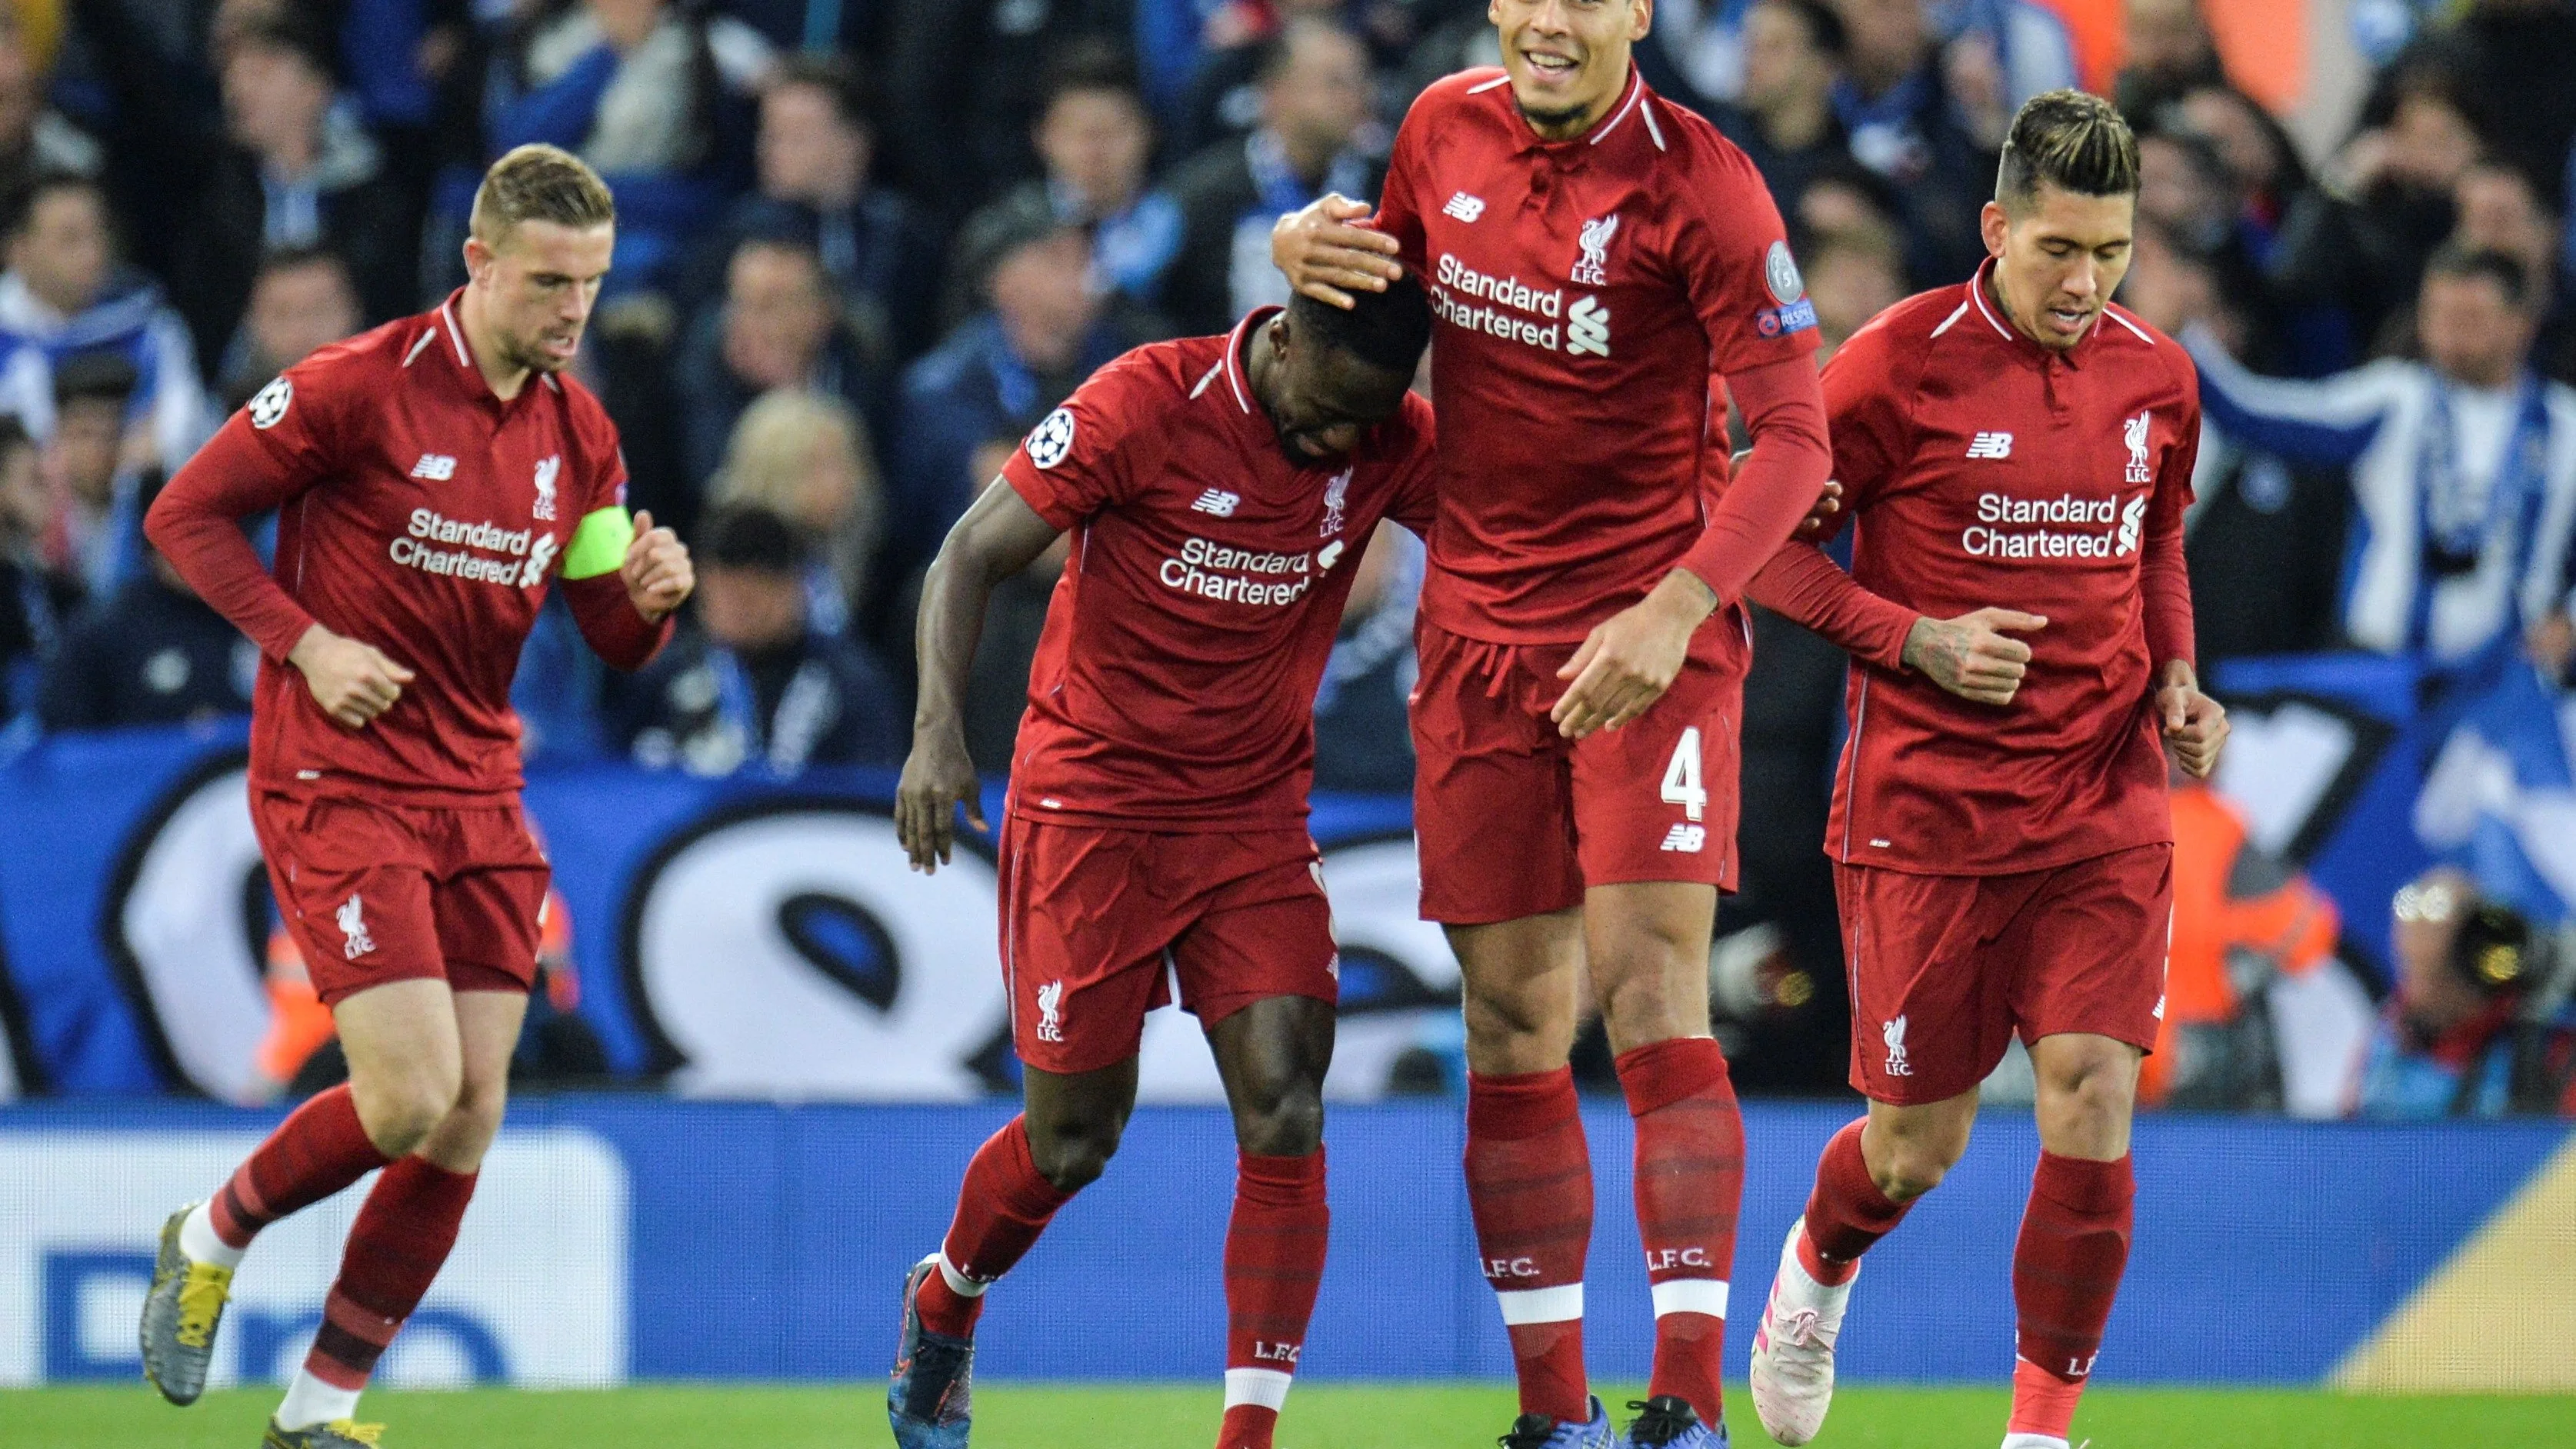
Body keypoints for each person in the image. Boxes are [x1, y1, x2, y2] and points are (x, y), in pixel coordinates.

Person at [1270, 0, 1835, 1439]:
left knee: (1650, 994)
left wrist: (1672, 610)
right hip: (1470, 642)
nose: (1547, 19)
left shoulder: (1702, 182)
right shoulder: (1434, 128)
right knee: (1509, 1017)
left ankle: (1689, 1405)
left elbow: (1794, 436)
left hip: (1646, 636)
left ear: (1634, 12)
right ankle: (1549, 1413)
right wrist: (1297, 269)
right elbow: (1360, 348)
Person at [133, 144, 692, 1449]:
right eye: (551, 280)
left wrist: (650, 601)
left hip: (479, 786)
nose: (573, 309)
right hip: (340, 776)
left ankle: (316, 1411)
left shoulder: (579, 434)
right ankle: (209, 1231)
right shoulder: (355, 388)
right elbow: (185, 515)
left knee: (472, 1108)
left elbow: (609, 631)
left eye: (593, 285)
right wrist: (306, 641)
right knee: (403, 1093)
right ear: (479, 262)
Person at [1731, 92, 2226, 1449]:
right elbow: (1756, 540)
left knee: (2088, 1088)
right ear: (1994, 225)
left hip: (2100, 798)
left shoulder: (2156, 378)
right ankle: (1812, 1268)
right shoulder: (1894, 365)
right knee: (1911, 1150)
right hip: (1926, 815)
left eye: (2109, 251)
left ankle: (2036, 1432)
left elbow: (2153, 546)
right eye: (2056, 248)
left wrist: (2178, 678)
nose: (2082, 282)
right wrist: (1911, 639)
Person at [886, 281, 1437, 1449]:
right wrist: (938, 733)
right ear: (1282, 340)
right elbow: (967, 556)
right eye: (1326, 415)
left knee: (1287, 1105)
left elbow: (1528, 526)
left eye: (1367, 424)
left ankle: (1246, 1439)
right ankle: (946, 1296)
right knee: (1074, 1140)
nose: (1342, 445)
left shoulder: (1388, 432)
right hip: (1091, 803)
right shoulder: (1144, 402)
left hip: (1252, 814)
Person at [2185, 245, 2576, 682]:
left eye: (2469, 318)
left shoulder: (2566, 426)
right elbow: (2254, 415)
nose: (2448, 334)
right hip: (2377, 671)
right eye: (2437, 315)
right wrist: (2183, 340)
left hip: (2507, 687)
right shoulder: (2396, 398)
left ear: (2522, 324)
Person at [612, 502, 901, 774]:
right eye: (720, 594)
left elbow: (870, 789)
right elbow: (612, 776)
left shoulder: (850, 685)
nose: (734, 609)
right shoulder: (663, 675)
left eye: (750, 599)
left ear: (794, 588)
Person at [1161, 17, 1384, 338]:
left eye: (1361, 80)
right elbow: (1138, 295)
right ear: (1276, 93)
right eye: (1336, 82)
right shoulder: (1199, 196)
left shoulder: (1386, 188)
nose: (1358, 96)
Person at [0, 173, 208, 472]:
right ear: (18, 251)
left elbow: (183, 434)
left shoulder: (150, 327)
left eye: (98, 233)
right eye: (70, 239)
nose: (92, 253)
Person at [37, 473, 261, 729]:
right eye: (189, 534)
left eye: (213, 532)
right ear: (153, 544)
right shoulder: (105, 631)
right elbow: (65, 741)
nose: (205, 549)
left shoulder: (256, 616)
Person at [2351, 868, 2575, 1119]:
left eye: (2437, 974)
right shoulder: (2386, 1043)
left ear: (2478, 964)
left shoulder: (2545, 1051)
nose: (2416, 992)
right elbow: (2349, 1143)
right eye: (2409, 967)